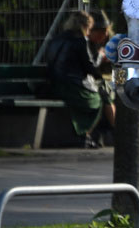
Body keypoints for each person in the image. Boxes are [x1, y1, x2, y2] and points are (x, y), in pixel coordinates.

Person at [43, 10, 108, 147]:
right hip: (72, 86)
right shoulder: (80, 41)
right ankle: (83, 133)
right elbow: (91, 67)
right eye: (89, 28)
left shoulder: (57, 38)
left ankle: (84, 134)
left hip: (54, 84)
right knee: (98, 99)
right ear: (85, 26)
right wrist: (101, 55)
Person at [86, 9, 117, 140]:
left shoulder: (112, 42)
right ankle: (117, 130)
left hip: (111, 79)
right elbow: (90, 67)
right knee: (106, 94)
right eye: (100, 30)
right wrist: (100, 57)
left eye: (106, 30)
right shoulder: (86, 44)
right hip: (95, 81)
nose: (104, 34)